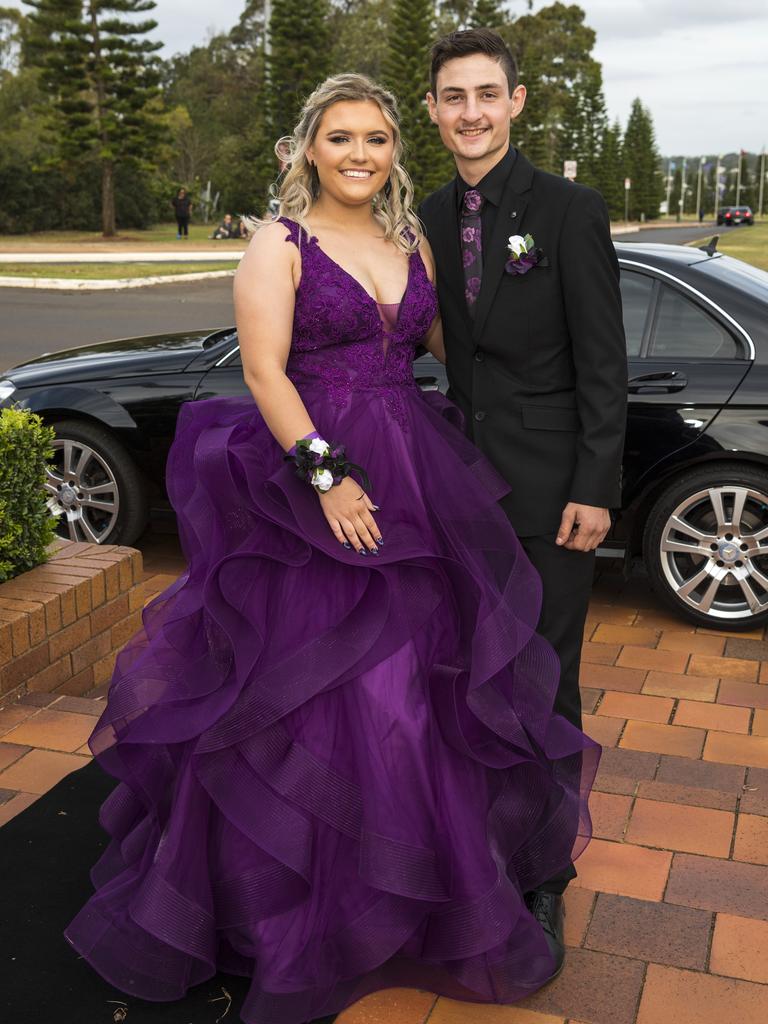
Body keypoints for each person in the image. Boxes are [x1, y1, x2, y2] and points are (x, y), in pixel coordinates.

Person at [63, 73, 599, 1024]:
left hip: (421, 473)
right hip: (321, 483)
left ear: (398, 150)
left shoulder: (407, 237)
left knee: (415, 692)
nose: (362, 155)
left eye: (380, 140)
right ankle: (294, 905)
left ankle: (401, 891)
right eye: (343, 137)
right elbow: (266, 371)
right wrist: (327, 476)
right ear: (309, 144)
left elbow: (452, 338)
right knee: (316, 696)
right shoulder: (279, 243)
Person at [420, 28, 627, 977]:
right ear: (432, 110)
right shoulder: (422, 213)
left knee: (545, 680)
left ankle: (544, 878)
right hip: (457, 490)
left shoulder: (571, 210)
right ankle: (477, 855)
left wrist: (595, 486)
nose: (470, 112)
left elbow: (604, 364)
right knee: (468, 679)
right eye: (453, 96)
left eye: (486, 94)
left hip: (552, 498)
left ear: (518, 101)